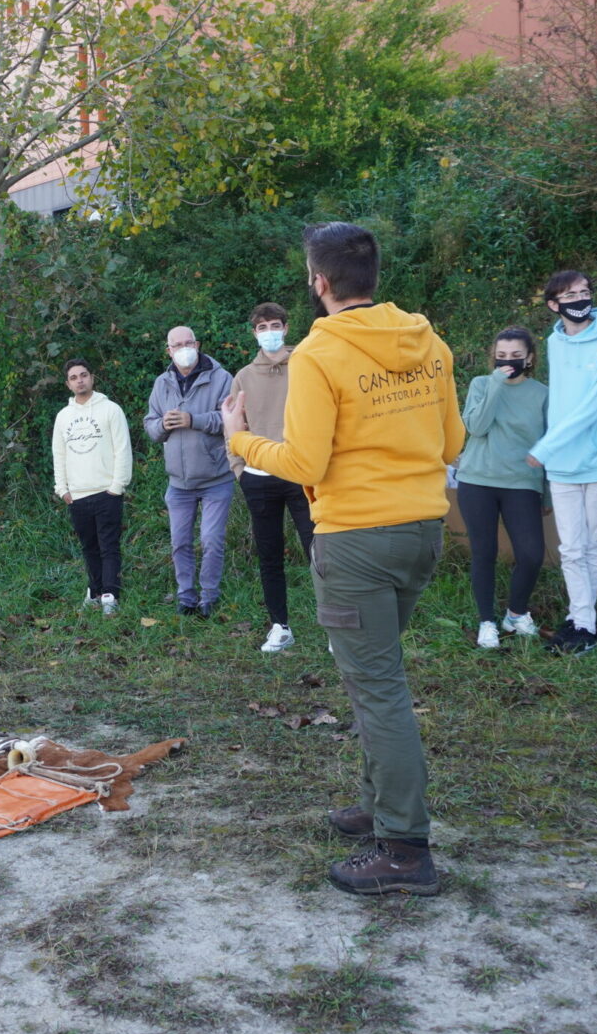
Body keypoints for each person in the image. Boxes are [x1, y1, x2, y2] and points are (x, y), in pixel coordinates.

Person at [223, 222, 464, 897]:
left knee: (380, 690)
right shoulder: (429, 342)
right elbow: (452, 443)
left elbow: (304, 462)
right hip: (422, 530)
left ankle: (406, 850)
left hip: (357, 539)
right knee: (373, 680)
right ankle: (379, 804)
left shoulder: (320, 354)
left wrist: (240, 439)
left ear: (319, 282)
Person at [526, 270, 597, 656]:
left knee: (591, 543)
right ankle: (581, 619)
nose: (580, 299)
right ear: (554, 305)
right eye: (570, 295)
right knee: (570, 547)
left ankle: (585, 623)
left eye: (585, 291)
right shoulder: (555, 342)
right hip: (563, 462)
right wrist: (552, 448)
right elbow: (563, 402)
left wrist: (545, 446)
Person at [456, 329, 550, 649]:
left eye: (516, 356)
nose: (508, 361)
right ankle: (487, 622)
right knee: (484, 552)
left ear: (530, 358)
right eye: (501, 355)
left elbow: (549, 444)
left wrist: (547, 491)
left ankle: (516, 613)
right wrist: (496, 382)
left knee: (531, 554)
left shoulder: (542, 394)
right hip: (477, 480)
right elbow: (476, 427)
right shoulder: (481, 384)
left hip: (521, 482)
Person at [230, 302, 315, 650]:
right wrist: (240, 470)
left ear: (286, 328)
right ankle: (280, 626)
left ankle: (336, 627)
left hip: (301, 473)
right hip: (258, 477)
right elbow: (233, 425)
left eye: (275, 325)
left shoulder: (306, 365)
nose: (270, 333)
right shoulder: (243, 377)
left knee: (320, 552)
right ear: (254, 333)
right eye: (262, 327)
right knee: (269, 554)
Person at [143, 325, 236, 617]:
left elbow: (231, 420)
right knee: (180, 542)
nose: (184, 349)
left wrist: (193, 419)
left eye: (188, 343)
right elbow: (150, 424)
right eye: (177, 345)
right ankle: (186, 597)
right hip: (179, 483)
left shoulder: (221, 378)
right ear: (168, 351)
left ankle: (209, 597)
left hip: (216, 478)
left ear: (197, 345)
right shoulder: (162, 383)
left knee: (211, 540)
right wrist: (162, 425)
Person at [51, 359, 132, 615]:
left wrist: (117, 486)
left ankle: (110, 595)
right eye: (74, 377)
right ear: (68, 384)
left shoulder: (111, 410)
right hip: (77, 495)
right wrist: (62, 489)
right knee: (89, 547)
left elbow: (122, 449)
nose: (80, 381)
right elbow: (59, 454)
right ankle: (94, 591)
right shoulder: (63, 417)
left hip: (107, 491)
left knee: (109, 546)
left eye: (83, 375)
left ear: (92, 378)